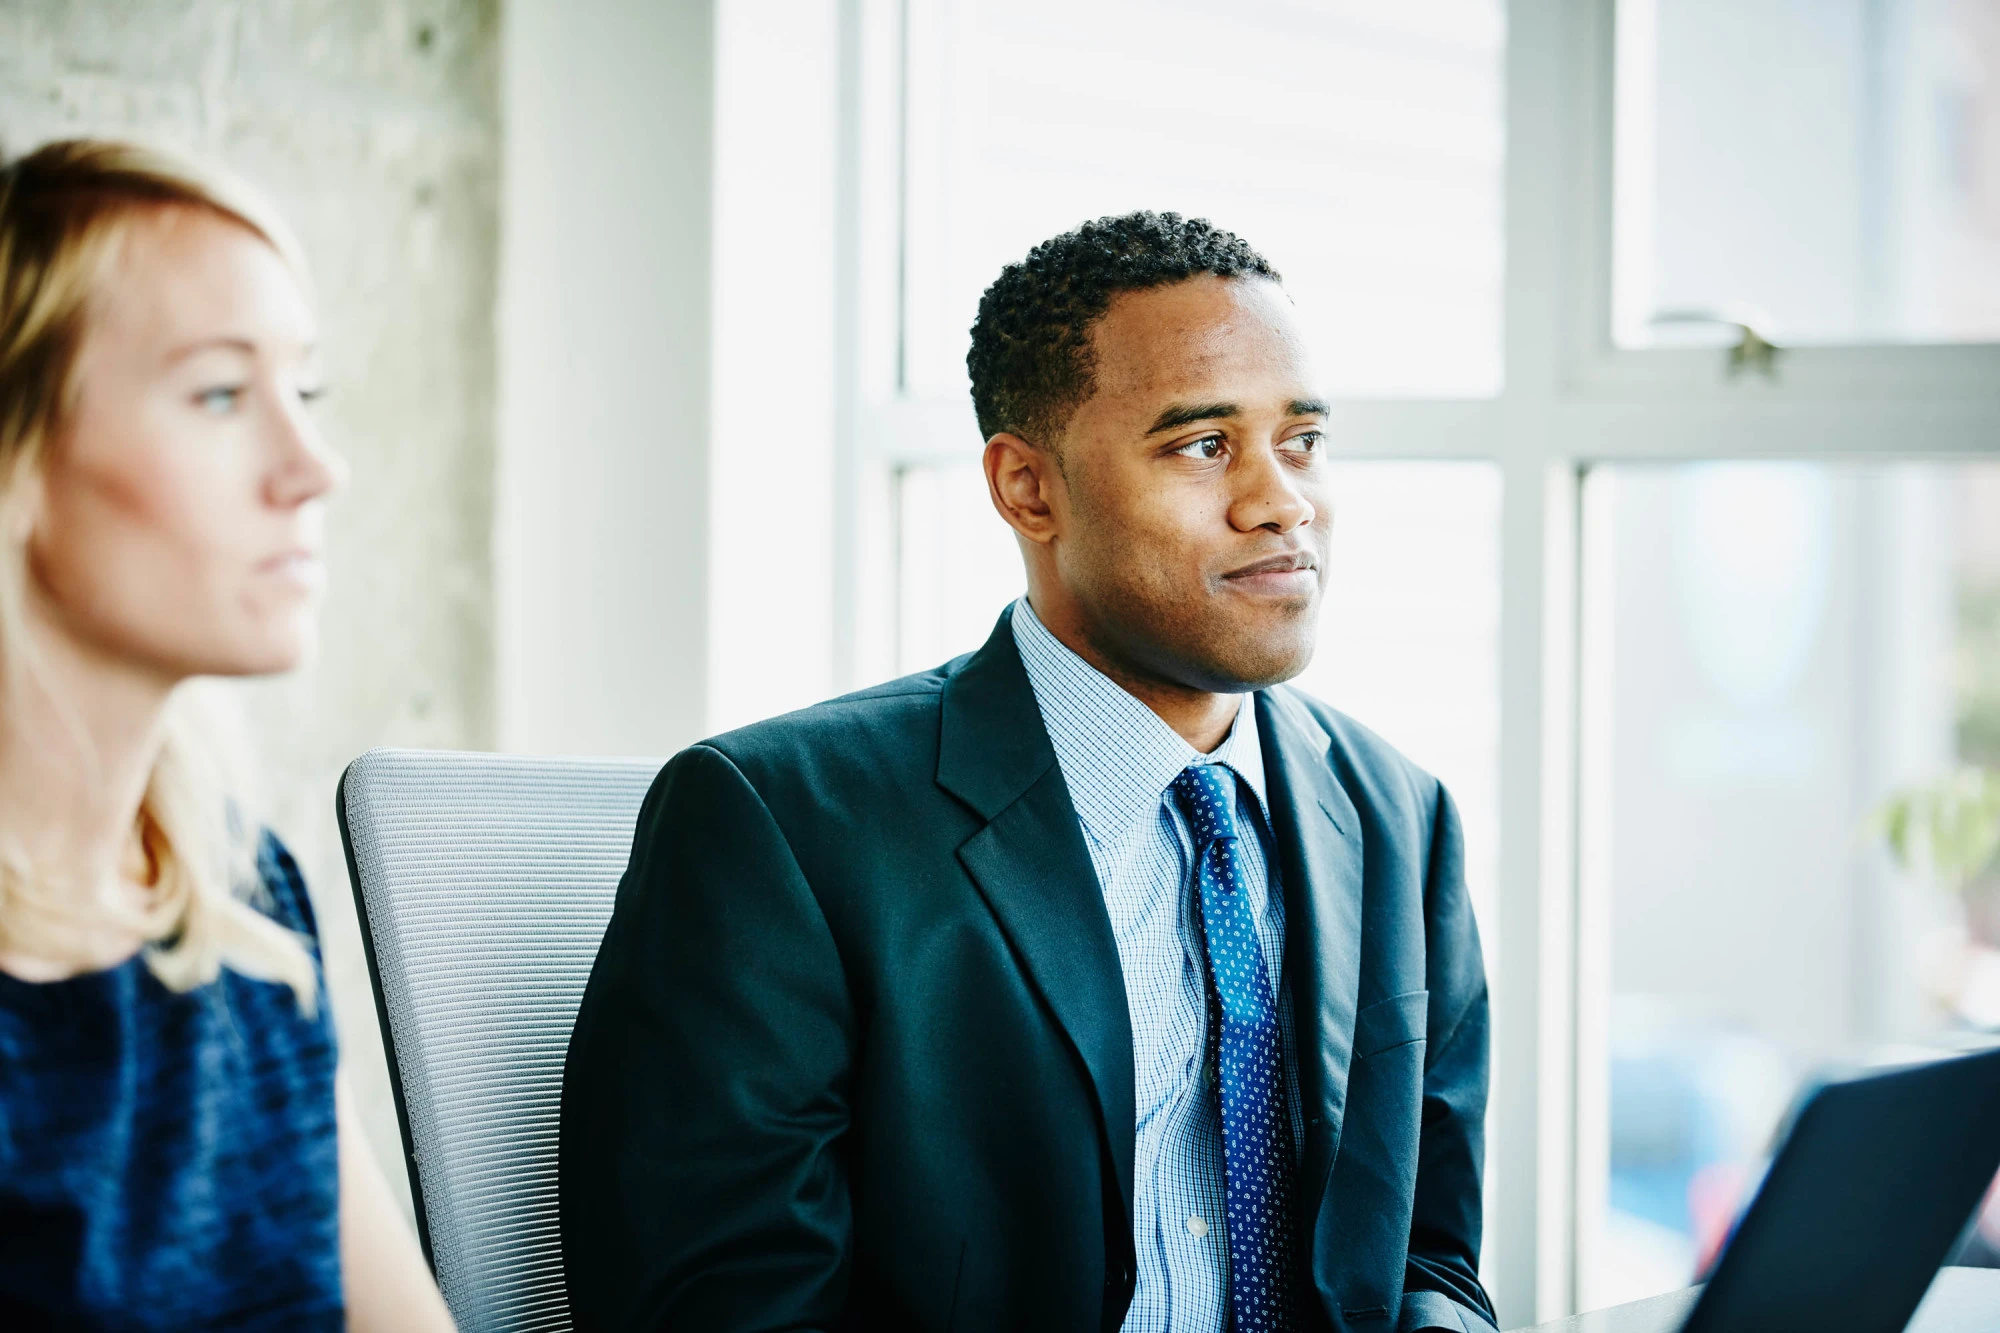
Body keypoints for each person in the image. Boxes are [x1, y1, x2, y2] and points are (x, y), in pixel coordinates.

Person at [561, 212, 1495, 1333]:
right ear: (1028, 489)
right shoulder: (777, 825)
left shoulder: (1397, 815)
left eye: (1298, 440)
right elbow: (722, 1313)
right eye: (1204, 446)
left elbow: (1426, 1258)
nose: (1280, 501)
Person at [0, 140, 456, 1331]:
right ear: (17, 460)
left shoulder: (242, 902)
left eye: (302, 393)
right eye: (217, 393)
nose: (315, 467)